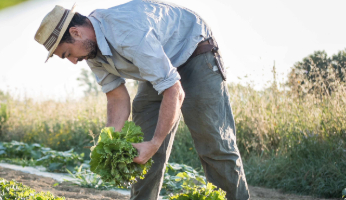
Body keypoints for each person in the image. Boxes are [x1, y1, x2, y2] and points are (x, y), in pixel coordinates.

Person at [34, 1, 250, 199]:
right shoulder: (90, 51)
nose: (73, 61)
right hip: (156, 67)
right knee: (139, 151)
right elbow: (117, 96)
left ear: (75, 32)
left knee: (213, 143)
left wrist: (156, 143)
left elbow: (174, 90)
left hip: (194, 52)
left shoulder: (127, 32)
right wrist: (111, 140)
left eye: (67, 53)